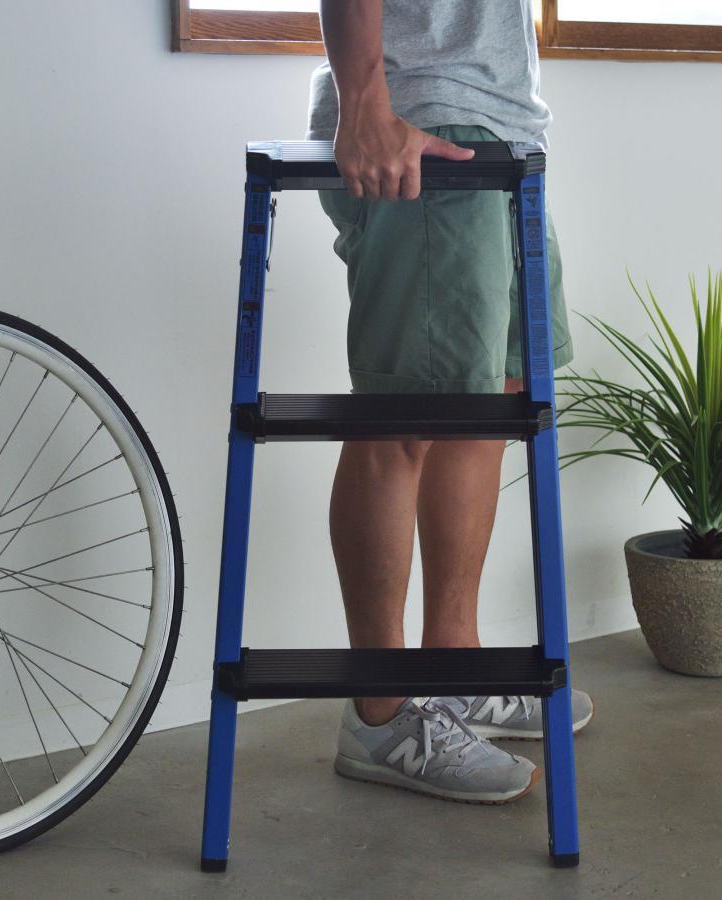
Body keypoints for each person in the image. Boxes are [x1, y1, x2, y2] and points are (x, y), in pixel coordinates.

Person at [305, 0, 593, 804]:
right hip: (422, 117)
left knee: (490, 400)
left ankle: (453, 668)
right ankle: (380, 711)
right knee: (405, 420)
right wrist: (365, 106)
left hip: (500, 129)